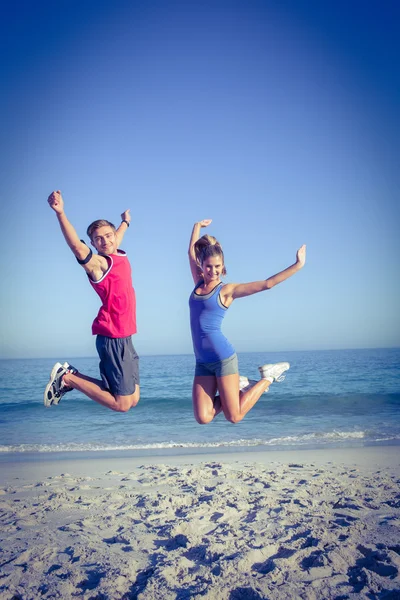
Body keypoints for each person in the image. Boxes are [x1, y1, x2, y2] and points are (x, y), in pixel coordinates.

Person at [188, 219, 306, 424]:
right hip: (202, 362)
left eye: (217, 267)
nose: (213, 271)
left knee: (234, 416)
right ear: (202, 265)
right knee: (203, 417)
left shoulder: (226, 290)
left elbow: (267, 284)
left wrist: (297, 265)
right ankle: (237, 386)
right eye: (209, 267)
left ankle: (268, 377)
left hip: (223, 358)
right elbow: (191, 252)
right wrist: (197, 226)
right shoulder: (198, 282)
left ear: (222, 266)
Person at [44, 190, 140, 413]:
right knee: (122, 404)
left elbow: (119, 234)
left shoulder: (118, 253)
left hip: (126, 336)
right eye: (99, 239)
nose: (105, 241)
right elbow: (77, 248)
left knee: (133, 398)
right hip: (113, 336)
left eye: (108, 235)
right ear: (93, 243)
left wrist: (125, 221)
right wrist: (60, 213)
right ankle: (68, 379)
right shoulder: (99, 264)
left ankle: (70, 376)